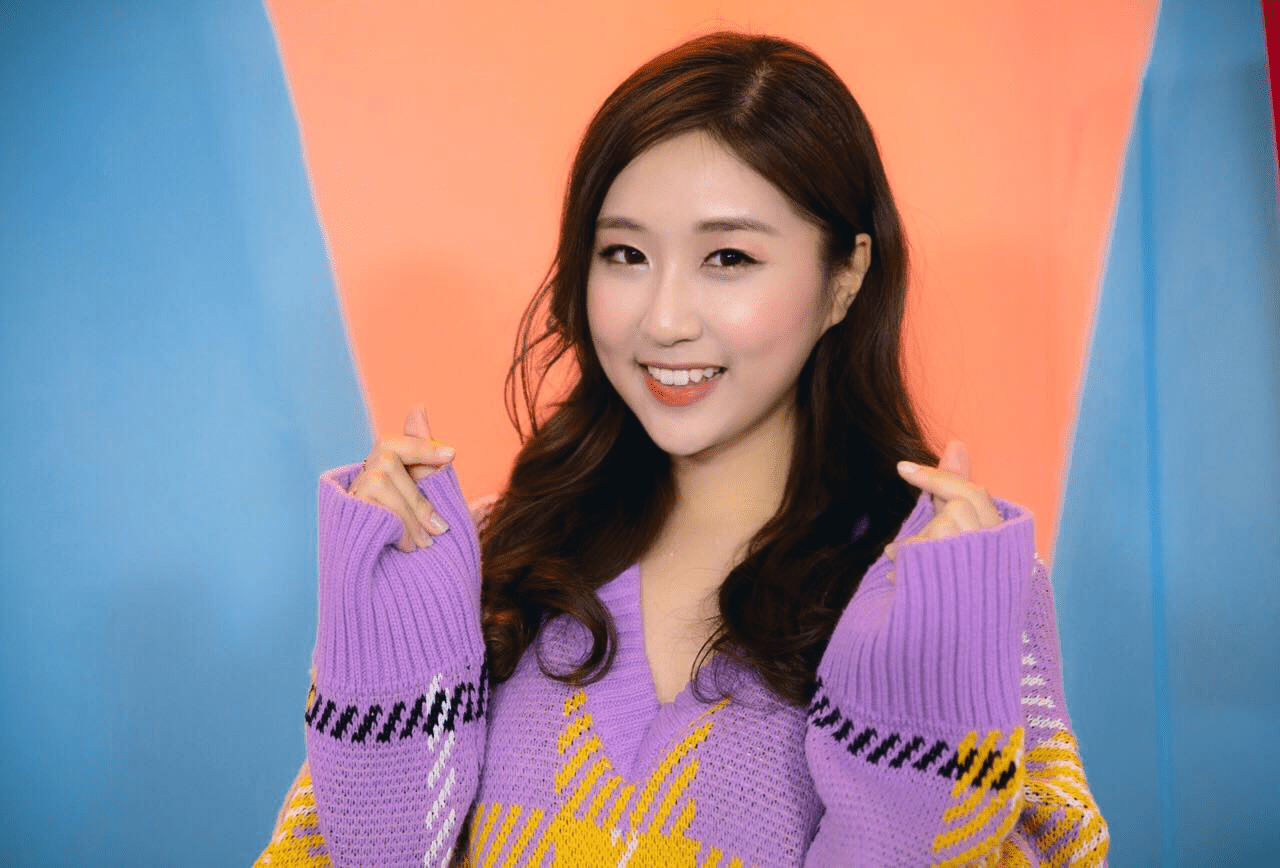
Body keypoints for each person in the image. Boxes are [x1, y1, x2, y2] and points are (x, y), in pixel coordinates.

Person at [256, 31, 1108, 867]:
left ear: (845, 278)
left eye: (728, 257)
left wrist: (924, 723)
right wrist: (393, 644)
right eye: (624, 254)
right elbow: (345, 854)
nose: (663, 320)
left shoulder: (942, 588)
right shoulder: (487, 558)